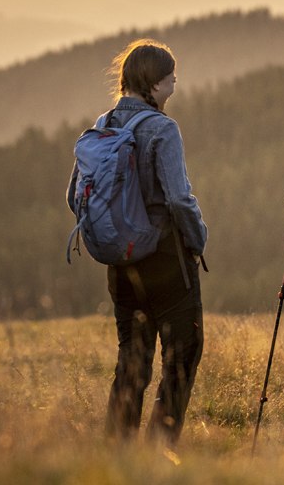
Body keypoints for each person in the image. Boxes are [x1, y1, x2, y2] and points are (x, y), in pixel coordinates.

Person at [69, 38, 207, 446]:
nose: (175, 84)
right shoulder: (163, 128)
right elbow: (179, 198)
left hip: (121, 263)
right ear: (157, 84)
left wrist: (114, 232)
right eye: (172, 78)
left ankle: (117, 451)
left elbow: (72, 195)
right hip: (166, 258)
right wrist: (198, 240)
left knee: (132, 358)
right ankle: (159, 451)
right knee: (182, 355)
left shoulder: (103, 122)